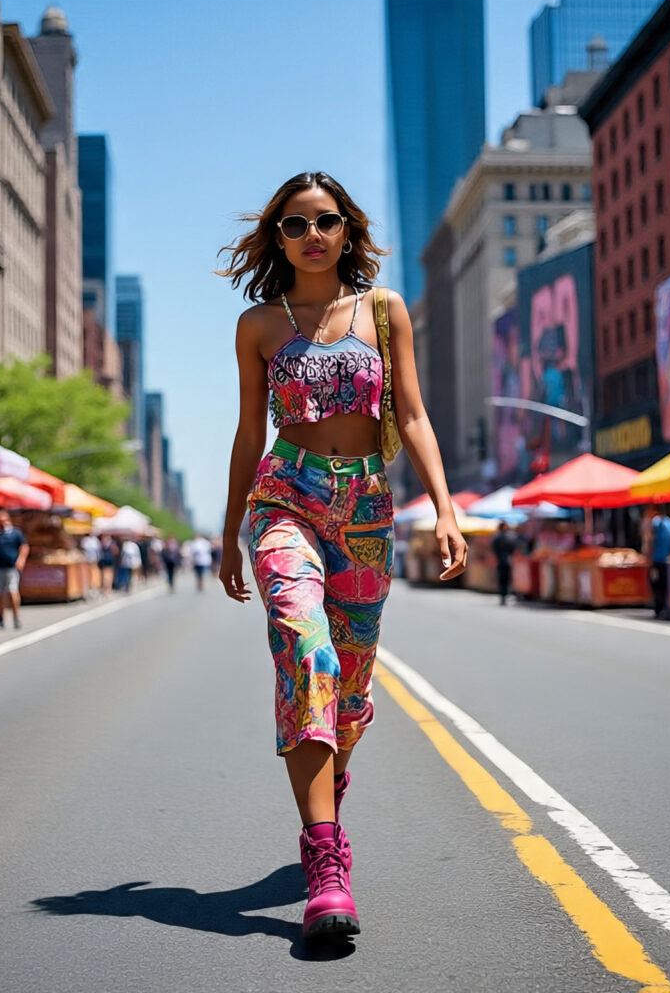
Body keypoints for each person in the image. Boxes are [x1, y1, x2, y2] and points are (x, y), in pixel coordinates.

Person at [216, 171, 468, 940]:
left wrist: (447, 507)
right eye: (295, 225)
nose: (312, 235)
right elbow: (249, 433)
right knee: (308, 653)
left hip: (364, 506)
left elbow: (416, 414)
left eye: (326, 222)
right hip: (287, 497)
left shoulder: (383, 311)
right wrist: (232, 528)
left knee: (349, 694)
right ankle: (326, 862)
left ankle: (331, 768)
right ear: (279, 238)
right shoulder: (259, 325)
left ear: (348, 230)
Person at [0, 509, 29, 629]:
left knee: (12, 591)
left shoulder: (15, 533)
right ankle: (1, 618)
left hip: (10, 567)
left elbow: (24, 546)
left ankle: (16, 618)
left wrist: (21, 560)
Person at [643, 504, 670, 619]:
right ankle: (665, 608)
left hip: (657, 560)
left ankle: (659, 608)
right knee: (665, 585)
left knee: (656, 585)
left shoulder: (655, 523)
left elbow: (650, 541)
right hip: (668, 559)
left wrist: (648, 558)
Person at [490, 521, 516, 605]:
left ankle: (504, 596)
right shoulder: (509, 537)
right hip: (505, 560)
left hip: (502, 560)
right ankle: (504, 595)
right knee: (505, 579)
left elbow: (494, 549)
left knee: (503, 579)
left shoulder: (498, 537)